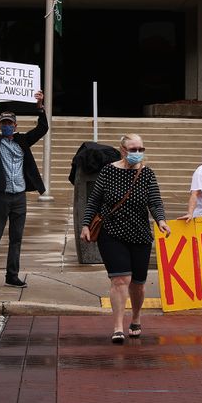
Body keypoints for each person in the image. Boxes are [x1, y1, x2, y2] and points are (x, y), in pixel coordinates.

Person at [80, 134, 171, 344]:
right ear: (122, 149)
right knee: (120, 279)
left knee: (137, 284)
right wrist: (85, 224)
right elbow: (94, 200)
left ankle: (136, 317)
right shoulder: (108, 171)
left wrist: (161, 221)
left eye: (140, 149)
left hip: (139, 233)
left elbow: (155, 201)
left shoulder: (147, 173)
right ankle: (118, 326)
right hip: (111, 233)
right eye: (133, 149)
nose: (137, 153)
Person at [0, 83, 49, 289]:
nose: (7, 125)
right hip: (1, 196)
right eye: (4, 123)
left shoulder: (23, 141)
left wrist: (39, 105)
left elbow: (43, 128)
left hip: (19, 196)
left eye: (10, 123)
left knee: (16, 238)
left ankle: (12, 275)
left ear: (15, 126)